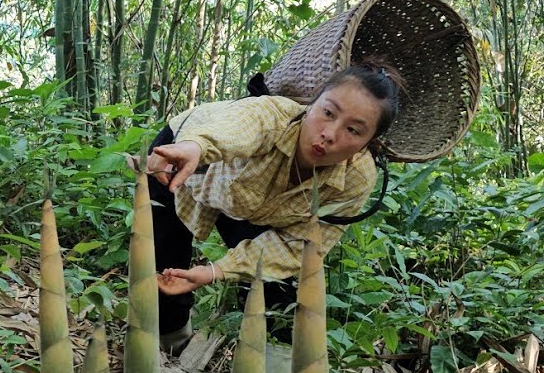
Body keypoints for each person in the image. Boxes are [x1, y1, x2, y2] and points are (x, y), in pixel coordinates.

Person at [142, 58, 406, 351]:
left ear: (368, 143)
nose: (330, 134)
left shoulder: (357, 177)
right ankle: (171, 345)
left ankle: (265, 372)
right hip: (181, 153)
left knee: (276, 289)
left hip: (251, 200)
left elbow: (296, 246)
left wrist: (214, 271)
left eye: (354, 131)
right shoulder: (274, 115)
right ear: (311, 104)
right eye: (328, 112)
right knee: (165, 263)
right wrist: (194, 147)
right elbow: (238, 127)